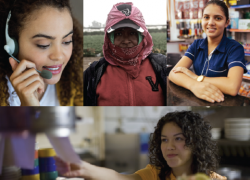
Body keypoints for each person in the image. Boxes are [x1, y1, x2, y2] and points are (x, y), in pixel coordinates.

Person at [55, 111, 226, 180]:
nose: (169, 146)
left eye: (179, 139)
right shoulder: (154, 175)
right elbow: (119, 178)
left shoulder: (214, 179)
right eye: (164, 140)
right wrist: (83, 168)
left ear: (196, 142)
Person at [0, 0, 83, 106]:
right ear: (12, 44)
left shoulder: (78, 77)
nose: (59, 56)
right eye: (43, 45)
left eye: (67, 41)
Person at [84, 2, 167, 106]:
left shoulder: (161, 66)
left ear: (142, 36)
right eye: (118, 34)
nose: (126, 41)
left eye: (132, 33)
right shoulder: (94, 73)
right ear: (109, 38)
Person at [169, 0, 247, 103]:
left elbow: (232, 87)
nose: (210, 23)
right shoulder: (196, 44)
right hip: (199, 99)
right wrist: (194, 85)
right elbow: (173, 73)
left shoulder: (235, 48)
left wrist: (197, 78)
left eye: (218, 18)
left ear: (227, 22)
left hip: (222, 102)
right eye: (206, 17)